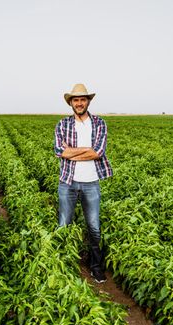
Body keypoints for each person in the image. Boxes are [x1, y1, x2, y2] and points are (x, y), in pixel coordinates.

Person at [54, 83, 113, 283]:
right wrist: (83, 152)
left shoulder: (99, 123)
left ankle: (96, 267)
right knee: (64, 225)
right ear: (71, 103)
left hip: (91, 183)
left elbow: (98, 152)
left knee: (94, 227)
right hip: (68, 182)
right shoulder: (63, 124)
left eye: (82, 99)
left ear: (88, 101)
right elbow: (59, 151)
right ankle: (63, 265)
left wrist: (73, 152)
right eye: (75, 100)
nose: (79, 103)